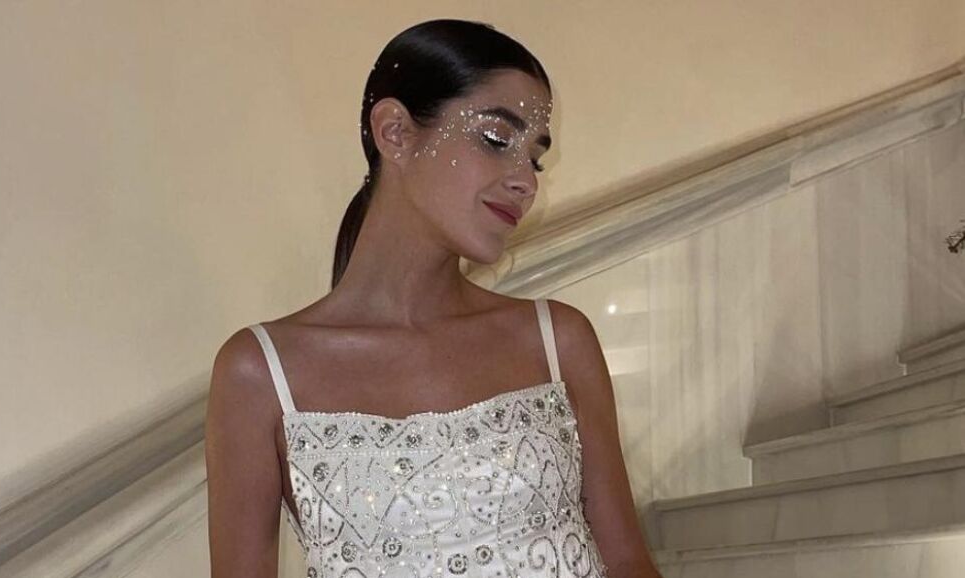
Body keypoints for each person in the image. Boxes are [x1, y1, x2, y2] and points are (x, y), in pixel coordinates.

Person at [205, 18, 661, 578]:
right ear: (395, 131)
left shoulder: (558, 340)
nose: (526, 180)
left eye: (535, 158)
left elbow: (628, 562)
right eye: (497, 140)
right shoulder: (260, 373)